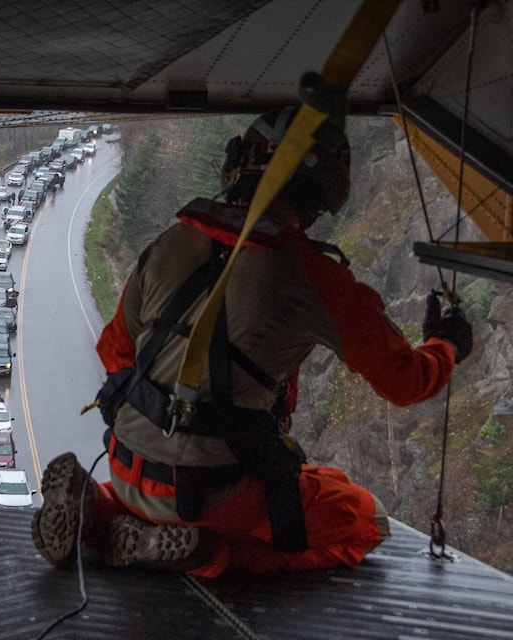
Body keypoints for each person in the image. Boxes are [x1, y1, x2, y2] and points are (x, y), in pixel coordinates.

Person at [31, 106, 473, 577]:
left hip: (126, 465)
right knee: (361, 518)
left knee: (159, 492)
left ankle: (98, 511)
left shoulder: (170, 242)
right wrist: (445, 345)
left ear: (237, 165)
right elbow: (406, 382)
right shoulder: (314, 276)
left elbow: (116, 351)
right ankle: (209, 553)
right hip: (214, 491)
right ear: (322, 191)